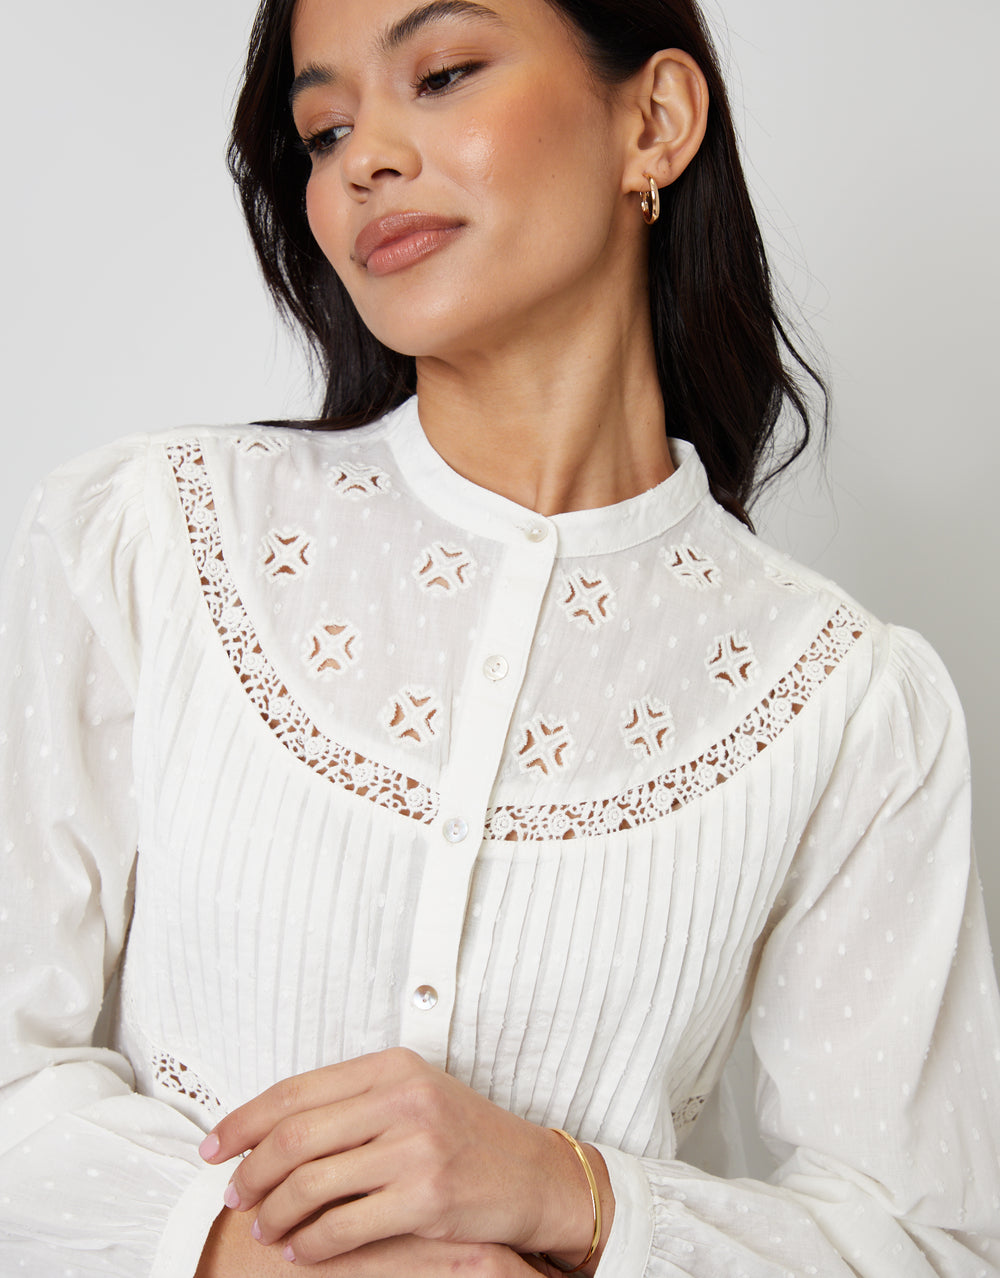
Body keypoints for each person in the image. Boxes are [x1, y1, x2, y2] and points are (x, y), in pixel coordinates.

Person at [1, 0, 998, 1273]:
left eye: (444, 72)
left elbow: (925, 1243)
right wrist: (259, 1254)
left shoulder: (843, 699)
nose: (364, 159)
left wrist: (574, 1195)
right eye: (323, 129)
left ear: (654, 122)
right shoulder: (148, 540)